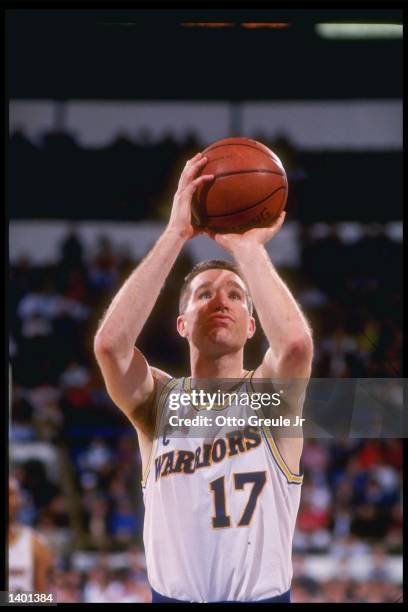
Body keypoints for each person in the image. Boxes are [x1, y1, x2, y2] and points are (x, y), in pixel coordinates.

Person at [94, 152, 313, 603]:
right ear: (182, 323)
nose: (221, 300)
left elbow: (294, 345)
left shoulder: (271, 401)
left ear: (252, 325)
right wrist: (176, 234)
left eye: (236, 296)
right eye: (204, 294)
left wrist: (248, 250)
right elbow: (110, 347)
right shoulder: (158, 403)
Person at [8, 477, 53, 594]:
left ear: (18, 500)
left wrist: (8, 599)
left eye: (10, 494)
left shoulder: (35, 542)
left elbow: (44, 597)